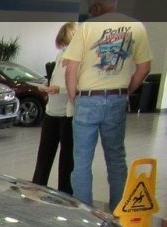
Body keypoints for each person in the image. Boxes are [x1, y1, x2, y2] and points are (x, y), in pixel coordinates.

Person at [63, 0, 151, 211]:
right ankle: (118, 213)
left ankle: (86, 214)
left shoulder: (87, 27)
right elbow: (145, 68)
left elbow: (71, 68)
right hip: (117, 98)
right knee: (116, 160)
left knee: (82, 162)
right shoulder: (136, 27)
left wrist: (75, 97)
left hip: (87, 98)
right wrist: (126, 91)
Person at [32, 22, 77, 194]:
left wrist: (61, 89)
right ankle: (36, 187)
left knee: (67, 158)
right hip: (52, 110)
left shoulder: (77, 58)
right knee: (44, 154)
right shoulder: (60, 56)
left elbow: (77, 85)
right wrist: (48, 86)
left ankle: (65, 193)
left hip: (67, 114)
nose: (65, 47)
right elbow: (55, 78)